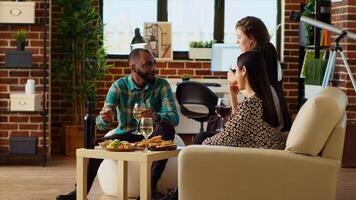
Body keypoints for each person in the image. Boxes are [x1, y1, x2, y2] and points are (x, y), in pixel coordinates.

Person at [161, 51, 286, 200]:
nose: (235, 74)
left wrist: (195, 148)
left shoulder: (251, 104)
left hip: (253, 160)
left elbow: (228, 136)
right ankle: (176, 194)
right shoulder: (261, 99)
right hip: (258, 155)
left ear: (244, 71)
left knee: (200, 143)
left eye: (236, 70)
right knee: (202, 140)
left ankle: (175, 196)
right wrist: (233, 95)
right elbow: (237, 125)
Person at [56, 48, 179, 200]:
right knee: (96, 145)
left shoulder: (162, 85)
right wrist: (105, 119)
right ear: (133, 67)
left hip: (152, 136)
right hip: (126, 136)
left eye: (154, 64)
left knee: (167, 127)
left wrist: (154, 115)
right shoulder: (118, 86)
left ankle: (149, 189)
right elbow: (101, 124)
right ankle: (78, 192)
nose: (153, 68)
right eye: (148, 65)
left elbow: (174, 118)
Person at [230, 16, 292, 131]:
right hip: (280, 126)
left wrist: (235, 80)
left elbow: (236, 126)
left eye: (239, 37)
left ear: (251, 39)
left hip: (269, 132)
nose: (236, 41)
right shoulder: (268, 54)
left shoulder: (255, 60)